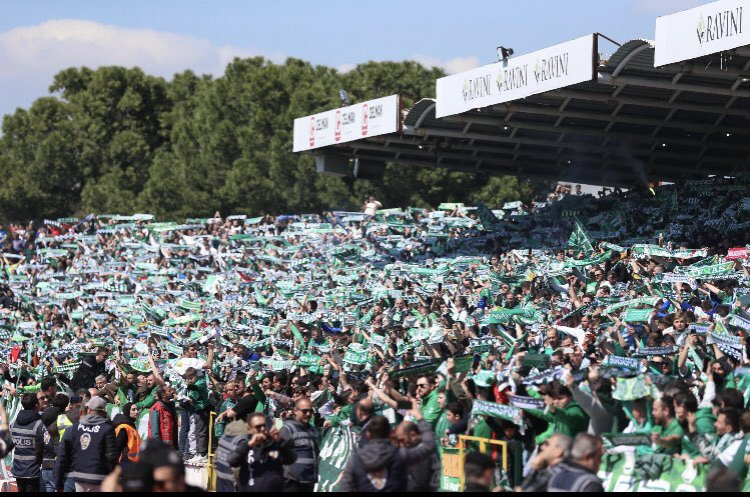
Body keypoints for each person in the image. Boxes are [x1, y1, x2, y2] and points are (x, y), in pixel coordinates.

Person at [55, 396, 117, 492]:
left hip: (79, 477)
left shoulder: (75, 428)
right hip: (99, 477)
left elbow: (62, 456)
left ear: (89, 410)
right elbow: (111, 456)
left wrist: (58, 484)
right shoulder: (107, 429)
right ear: (104, 411)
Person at [229, 412, 296, 492]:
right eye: (258, 427)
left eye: (264, 426)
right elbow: (232, 461)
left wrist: (280, 441)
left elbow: (291, 459)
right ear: (249, 429)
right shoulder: (245, 444)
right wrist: (250, 444)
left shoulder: (275, 444)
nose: (263, 429)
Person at [339, 415, 407, 492]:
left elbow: (346, 488)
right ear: (390, 433)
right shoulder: (401, 456)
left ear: (368, 434)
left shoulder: (355, 460)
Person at [393, 402, 441, 492]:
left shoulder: (420, 452)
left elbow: (418, 483)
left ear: (413, 434)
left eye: (402, 440)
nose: (401, 444)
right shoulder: (427, 445)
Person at [279, 398, 319, 492]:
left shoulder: (312, 430)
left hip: (309, 482)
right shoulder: (287, 429)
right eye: (304, 411)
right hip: (292, 482)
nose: (308, 414)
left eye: (310, 411)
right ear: (295, 411)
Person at [10, 393, 45, 492]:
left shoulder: (14, 423)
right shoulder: (39, 424)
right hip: (33, 470)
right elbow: (41, 448)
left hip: (18, 468)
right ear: (36, 405)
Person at [113, 402, 141, 467]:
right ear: (127, 411)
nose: (136, 412)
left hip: (132, 463)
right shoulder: (124, 427)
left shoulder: (131, 426)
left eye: (137, 409)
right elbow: (117, 448)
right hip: (125, 463)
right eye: (133, 410)